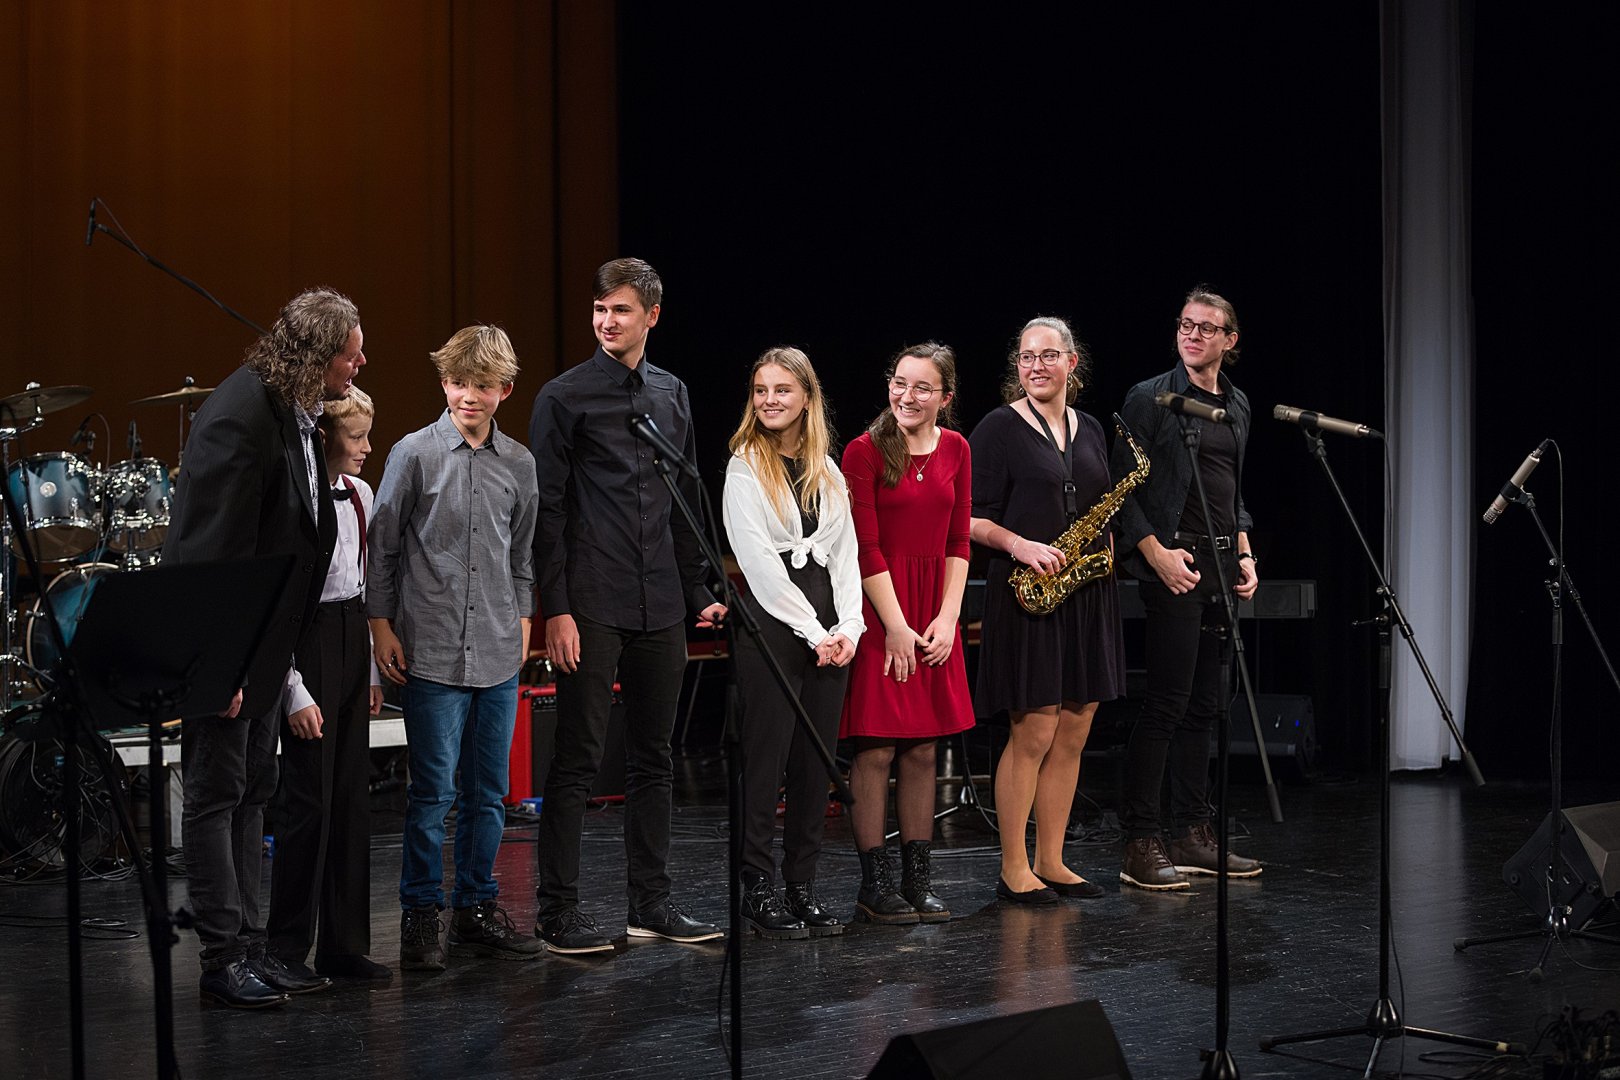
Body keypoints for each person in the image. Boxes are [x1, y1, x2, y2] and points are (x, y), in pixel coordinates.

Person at [163, 287, 362, 1008]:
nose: (359, 366)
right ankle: (222, 958)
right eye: (351, 354)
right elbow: (212, 557)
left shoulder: (296, 414)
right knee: (216, 796)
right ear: (319, 354)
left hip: (268, 652)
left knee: (254, 793)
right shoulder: (240, 415)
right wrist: (223, 666)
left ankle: (251, 947)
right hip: (230, 654)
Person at [529, 257, 727, 954]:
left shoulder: (672, 394)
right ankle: (557, 911)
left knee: (654, 758)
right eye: (599, 309)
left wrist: (697, 589)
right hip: (591, 600)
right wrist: (555, 608)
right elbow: (548, 511)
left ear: (652, 316)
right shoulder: (564, 396)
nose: (607, 321)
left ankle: (652, 904)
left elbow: (683, 498)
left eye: (620, 310)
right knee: (579, 758)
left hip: (661, 601)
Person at [369, 325, 541, 969]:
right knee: (432, 794)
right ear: (444, 382)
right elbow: (383, 547)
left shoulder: (519, 463)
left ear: (505, 390)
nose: (470, 395)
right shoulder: (413, 454)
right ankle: (421, 914)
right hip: (433, 648)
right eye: (460, 382)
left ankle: (475, 908)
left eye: (483, 385)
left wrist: (524, 624)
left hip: (497, 648)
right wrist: (380, 625)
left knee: (488, 793)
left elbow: (521, 556)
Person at [1111, 285, 1262, 890]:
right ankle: (1140, 839)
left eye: (1206, 328)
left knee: (1206, 706)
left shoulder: (1238, 404)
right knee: (1167, 704)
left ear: (1230, 340)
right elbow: (1121, 490)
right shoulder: (1152, 398)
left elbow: (1235, 492)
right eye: (1185, 325)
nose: (1192, 335)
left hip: (1222, 567)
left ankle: (1193, 832)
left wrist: (1245, 553)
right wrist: (1156, 555)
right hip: (1174, 562)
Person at [970, 317, 1125, 904]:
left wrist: (1105, 545)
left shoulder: (1091, 428)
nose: (1036, 365)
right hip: (1026, 592)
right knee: (1033, 729)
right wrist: (1020, 545)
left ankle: (1052, 860)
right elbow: (968, 517)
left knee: (1075, 727)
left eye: (1048, 355)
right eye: (1027, 356)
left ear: (1071, 363)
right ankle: (1014, 867)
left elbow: (1099, 500)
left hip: (1085, 592)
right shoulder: (998, 428)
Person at [721, 347, 863, 939]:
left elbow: (846, 555)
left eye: (782, 390)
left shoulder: (827, 469)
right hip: (774, 622)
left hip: (829, 624)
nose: (769, 400)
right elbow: (758, 564)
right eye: (761, 390)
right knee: (766, 759)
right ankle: (757, 887)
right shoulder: (744, 466)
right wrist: (813, 630)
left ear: (807, 397)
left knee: (815, 761)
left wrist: (849, 627)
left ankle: (801, 885)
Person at [840, 342, 975, 925]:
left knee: (923, 747)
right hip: (881, 609)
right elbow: (864, 547)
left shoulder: (957, 448)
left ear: (945, 397)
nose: (907, 395)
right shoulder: (864, 451)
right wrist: (895, 626)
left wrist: (947, 617)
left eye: (922, 387)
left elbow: (959, 540)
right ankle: (874, 885)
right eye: (900, 382)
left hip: (934, 611)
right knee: (875, 747)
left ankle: (918, 880)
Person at [265, 387, 389, 981]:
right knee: (308, 803)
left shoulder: (361, 495)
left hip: (349, 639)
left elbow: (362, 586)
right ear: (323, 438)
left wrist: (369, 671)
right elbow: (285, 606)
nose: (367, 447)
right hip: (308, 642)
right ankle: (287, 949)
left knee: (349, 799)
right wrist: (294, 689)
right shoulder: (300, 501)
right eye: (356, 436)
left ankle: (345, 946)